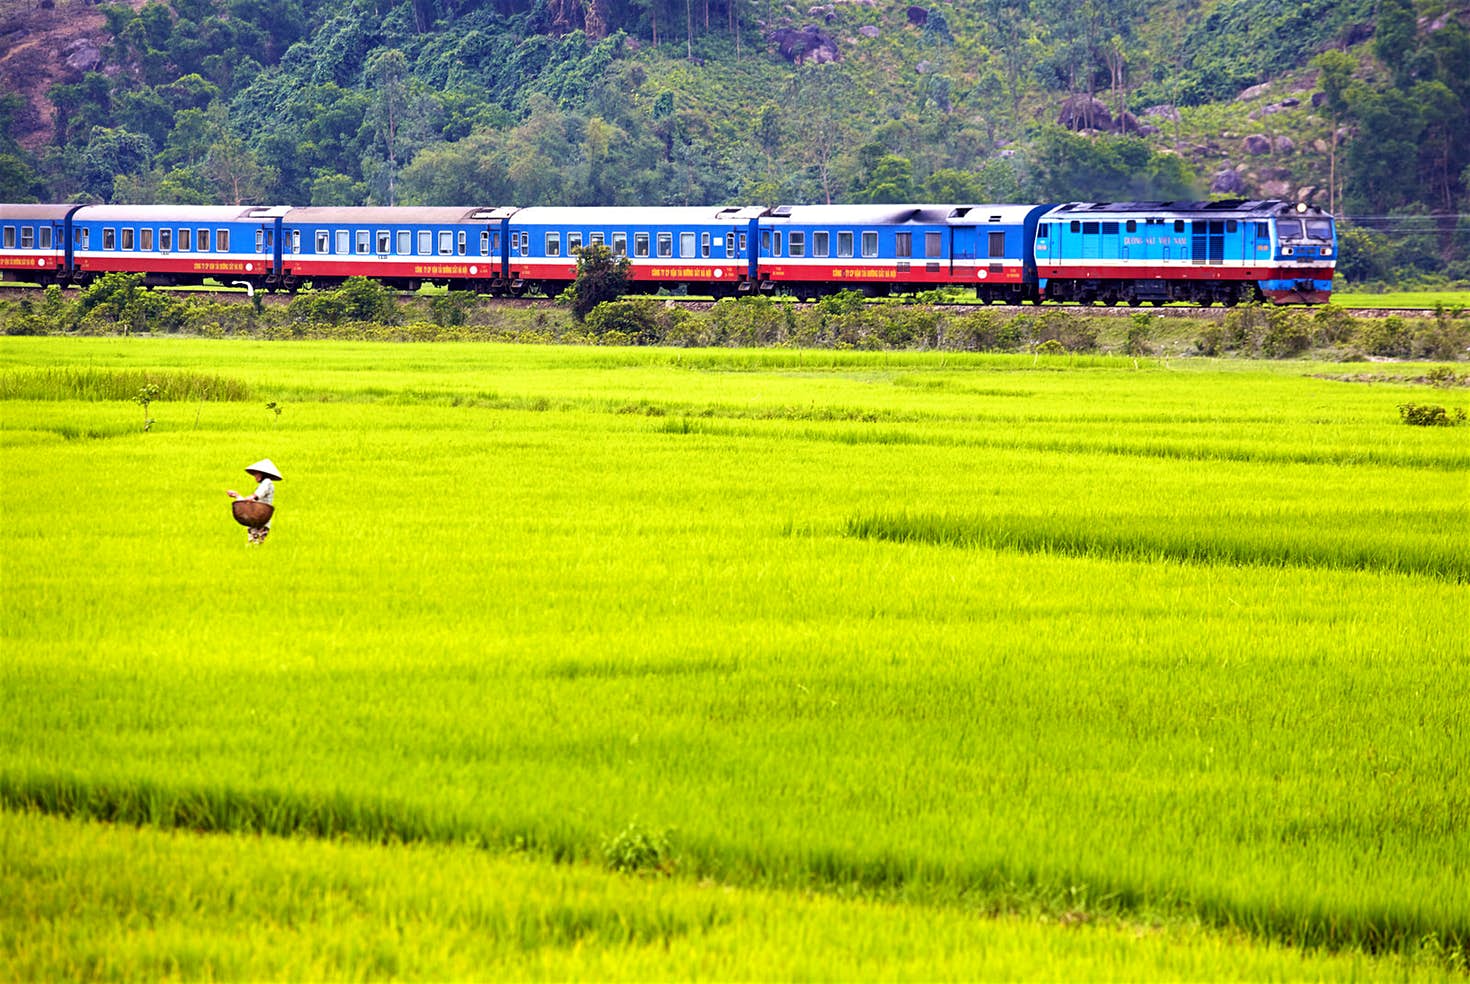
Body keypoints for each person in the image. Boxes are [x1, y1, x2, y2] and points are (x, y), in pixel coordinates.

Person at [227, 458, 282, 545]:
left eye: (256, 474)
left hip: (262, 518)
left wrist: (252, 496)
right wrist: (237, 496)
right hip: (256, 518)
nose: (255, 476)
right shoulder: (263, 484)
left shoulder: (267, 482)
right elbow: (250, 502)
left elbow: (256, 496)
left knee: (257, 543)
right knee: (252, 543)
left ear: (262, 474)